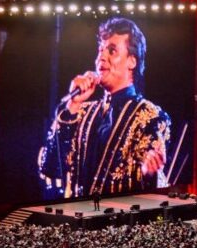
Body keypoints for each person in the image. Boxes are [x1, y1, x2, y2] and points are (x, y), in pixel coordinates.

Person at [39, 17, 171, 199]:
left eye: (112, 50)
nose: (101, 57)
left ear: (132, 61)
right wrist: (73, 104)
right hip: (81, 219)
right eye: (100, 50)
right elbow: (50, 167)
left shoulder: (151, 116)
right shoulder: (84, 112)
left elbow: (153, 182)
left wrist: (149, 172)